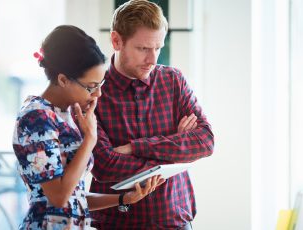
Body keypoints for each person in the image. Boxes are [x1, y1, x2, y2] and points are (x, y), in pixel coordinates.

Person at [12, 25, 165, 229]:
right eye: (91, 87)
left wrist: (123, 199)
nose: (98, 95)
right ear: (63, 79)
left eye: (100, 85)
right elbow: (58, 197)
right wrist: (90, 139)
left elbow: (75, 197)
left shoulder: (66, 114)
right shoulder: (36, 118)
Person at [90, 0, 215, 229]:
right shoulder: (95, 92)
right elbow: (104, 166)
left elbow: (205, 141)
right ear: (116, 40)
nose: (153, 59)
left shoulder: (173, 81)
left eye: (158, 48)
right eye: (143, 48)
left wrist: (135, 148)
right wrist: (176, 149)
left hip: (175, 220)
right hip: (117, 223)